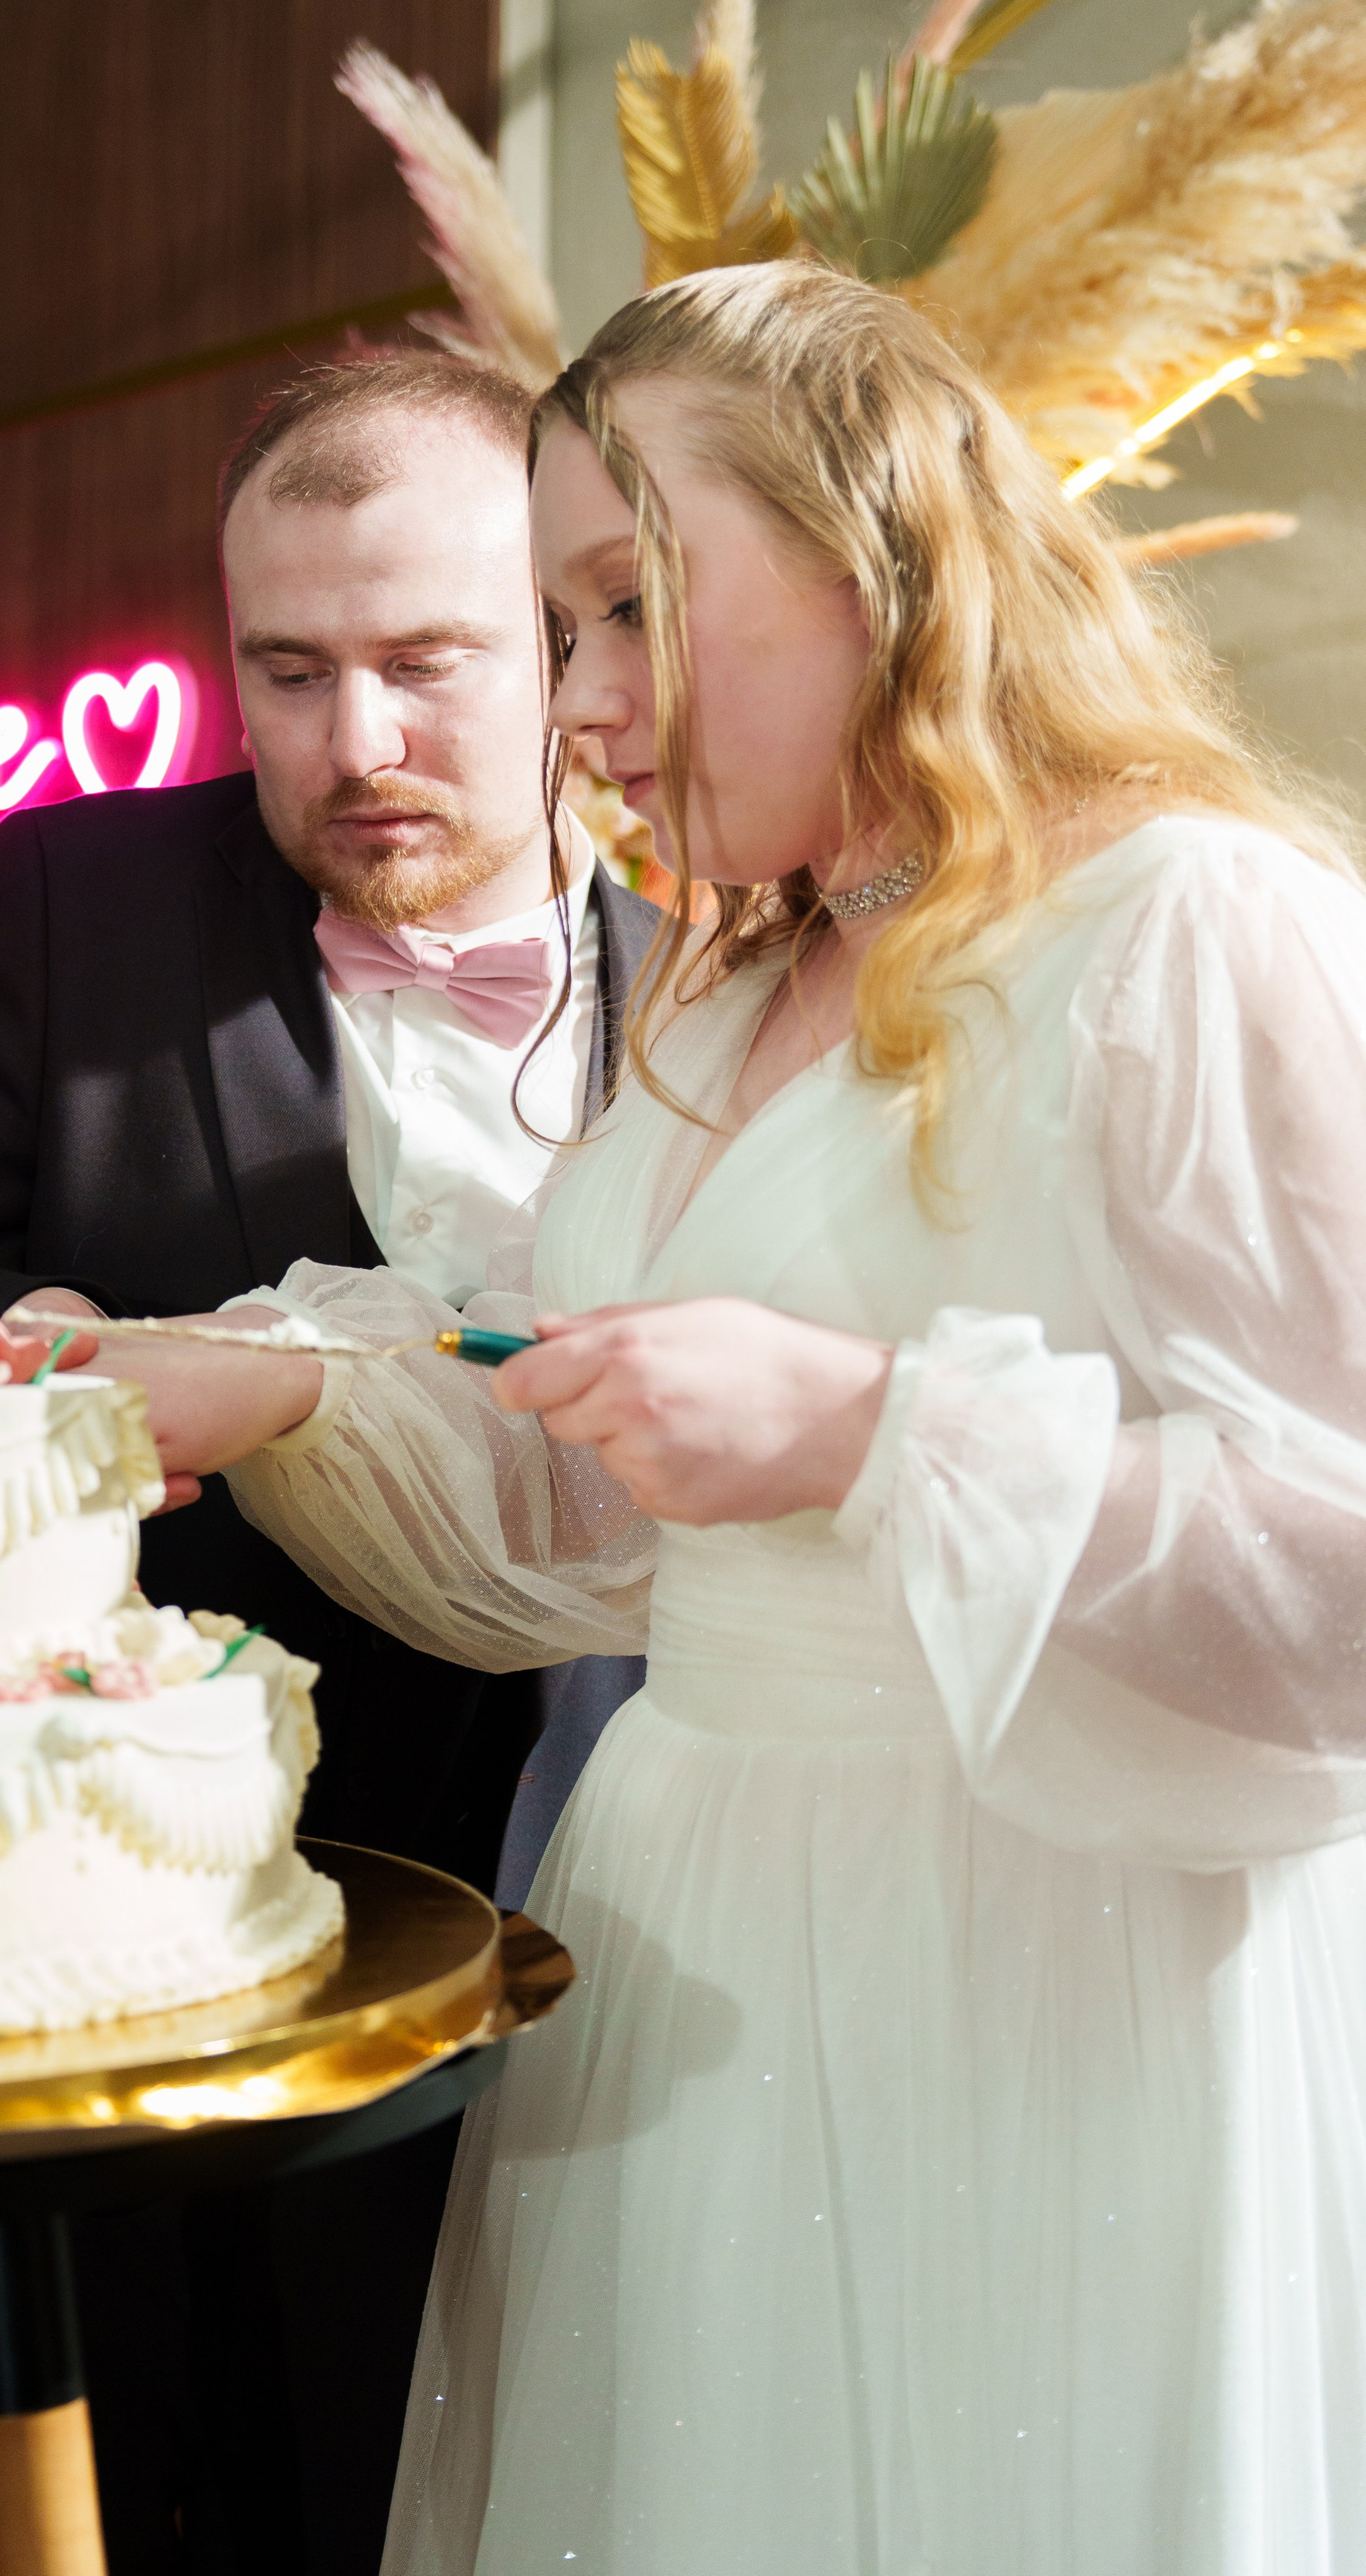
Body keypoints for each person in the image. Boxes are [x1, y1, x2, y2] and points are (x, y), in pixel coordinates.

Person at [101, 259, 1366, 2572]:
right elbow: (602, 1485)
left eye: (628, 604)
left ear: (878, 553)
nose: (580, 701)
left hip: (1041, 1979)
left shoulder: (1196, 926)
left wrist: (888, 1432)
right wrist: (272, 1377)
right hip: (689, 1939)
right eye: (557, 628)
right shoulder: (731, 977)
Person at [0, 349, 658, 2574]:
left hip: (574, 1932)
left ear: (565, 639)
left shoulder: (731, 973)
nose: (355, 745)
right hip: (118, 1921)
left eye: (428, 663)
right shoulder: (83, 894)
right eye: (290, 672)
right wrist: (15, 1338)